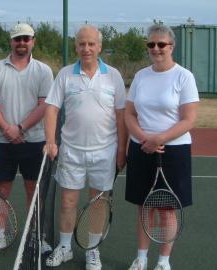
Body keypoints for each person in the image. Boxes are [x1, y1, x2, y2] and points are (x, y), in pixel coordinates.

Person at [44, 25, 128, 270]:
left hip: (105, 152)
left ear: (100, 46)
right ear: (76, 46)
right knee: (67, 202)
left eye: (91, 44)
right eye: (82, 44)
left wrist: (122, 149)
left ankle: (92, 250)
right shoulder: (65, 74)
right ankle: (65, 247)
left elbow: (121, 115)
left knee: (98, 203)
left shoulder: (113, 75)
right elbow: (51, 108)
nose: (87, 48)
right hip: (71, 150)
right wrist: (51, 140)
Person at [125, 24, 199, 270]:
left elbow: (189, 119)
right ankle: (142, 259)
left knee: (167, 210)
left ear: (171, 47)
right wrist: (144, 138)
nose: (155, 49)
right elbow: (130, 114)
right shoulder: (140, 76)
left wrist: (159, 139)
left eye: (161, 44)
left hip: (173, 152)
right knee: (144, 208)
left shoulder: (184, 76)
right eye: (151, 44)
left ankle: (163, 262)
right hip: (141, 148)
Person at [0, 23, 54, 257]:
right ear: (11, 42)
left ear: (33, 41)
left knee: (34, 191)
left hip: (34, 141)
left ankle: (35, 235)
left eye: (26, 38)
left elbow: (44, 105)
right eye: (17, 39)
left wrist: (21, 128)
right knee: (1, 189)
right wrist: (7, 129)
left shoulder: (43, 70)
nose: (22, 43)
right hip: (2, 142)